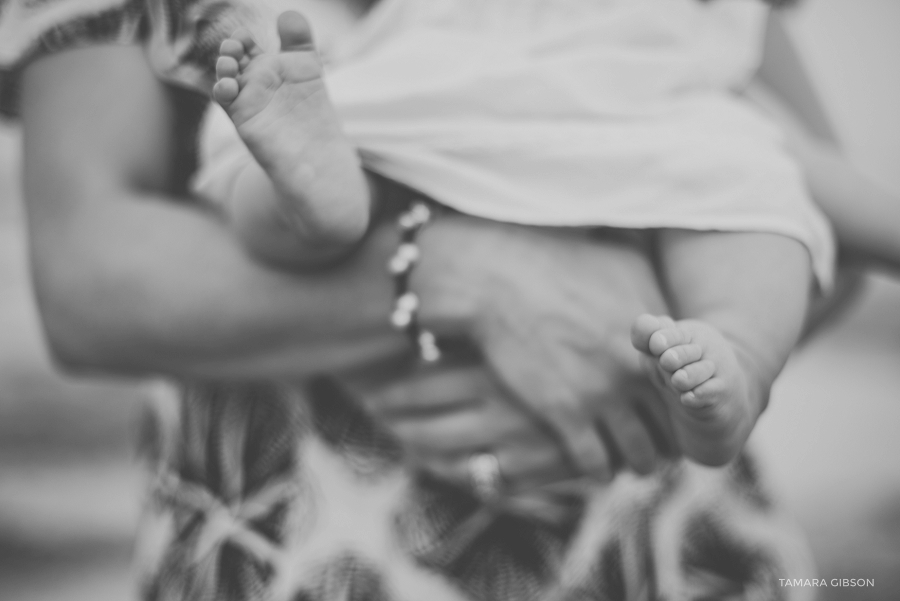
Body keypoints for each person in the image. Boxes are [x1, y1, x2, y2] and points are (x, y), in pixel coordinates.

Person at [3, 0, 868, 598]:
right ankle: (323, 192)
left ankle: (328, 200)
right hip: (311, 552)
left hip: (662, 531)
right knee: (315, 155)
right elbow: (88, 278)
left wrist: (683, 321)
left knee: (750, 192)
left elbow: (812, 204)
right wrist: (467, 273)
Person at [200, 0, 828, 472]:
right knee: (745, 179)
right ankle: (317, 196)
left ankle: (321, 202)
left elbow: (812, 166)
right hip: (502, 92)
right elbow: (810, 171)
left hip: (447, 101)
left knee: (743, 174)